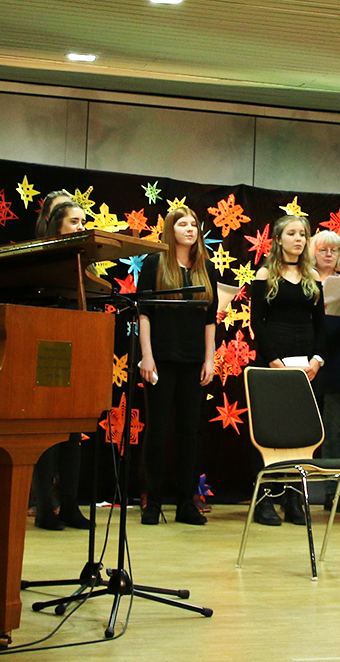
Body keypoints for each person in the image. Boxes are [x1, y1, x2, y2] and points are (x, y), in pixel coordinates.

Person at [137, 205, 218, 526]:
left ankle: (186, 502)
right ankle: (153, 501)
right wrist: (147, 355)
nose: (190, 229)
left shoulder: (205, 268)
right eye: (183, 224)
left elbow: (210, 319)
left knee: (189, 434)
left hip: (193, 359)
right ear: (170, 230)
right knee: (157, 431)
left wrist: (209, 359)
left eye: (194, 224)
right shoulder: (155, 264)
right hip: (161, 358)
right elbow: (144, 313)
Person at [247, 214, 327, 525]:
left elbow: (321, 324)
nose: (298, 239)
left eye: (303, 234)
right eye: (292, 234)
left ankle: (295, 501)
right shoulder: (265, 273)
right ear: (278, 239)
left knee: (300, 431)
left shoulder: (312, 275)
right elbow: (257, 321)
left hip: (306, 364)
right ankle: (265, 499)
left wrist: (317, 360)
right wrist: (273, 360)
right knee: (272, 430)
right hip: (274, 361)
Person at [28, 191, 94, 531]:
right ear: (56, 226)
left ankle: (69, 504)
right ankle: (44, 507)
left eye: (83, 221)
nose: (81, 227)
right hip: (49, 349)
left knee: (73, 433)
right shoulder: (42, 259)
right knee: (48, 432)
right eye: (74, 222)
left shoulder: (84, 261)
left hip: (79, 347)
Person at [311, 229, 340, 514]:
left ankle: (333, 493)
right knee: (300, 430)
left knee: (335, 431)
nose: (329, 255)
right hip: (306, 363)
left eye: (334, 250)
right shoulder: (303, 281)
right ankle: (292, 491)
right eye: (323, 249)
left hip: (338, 364)